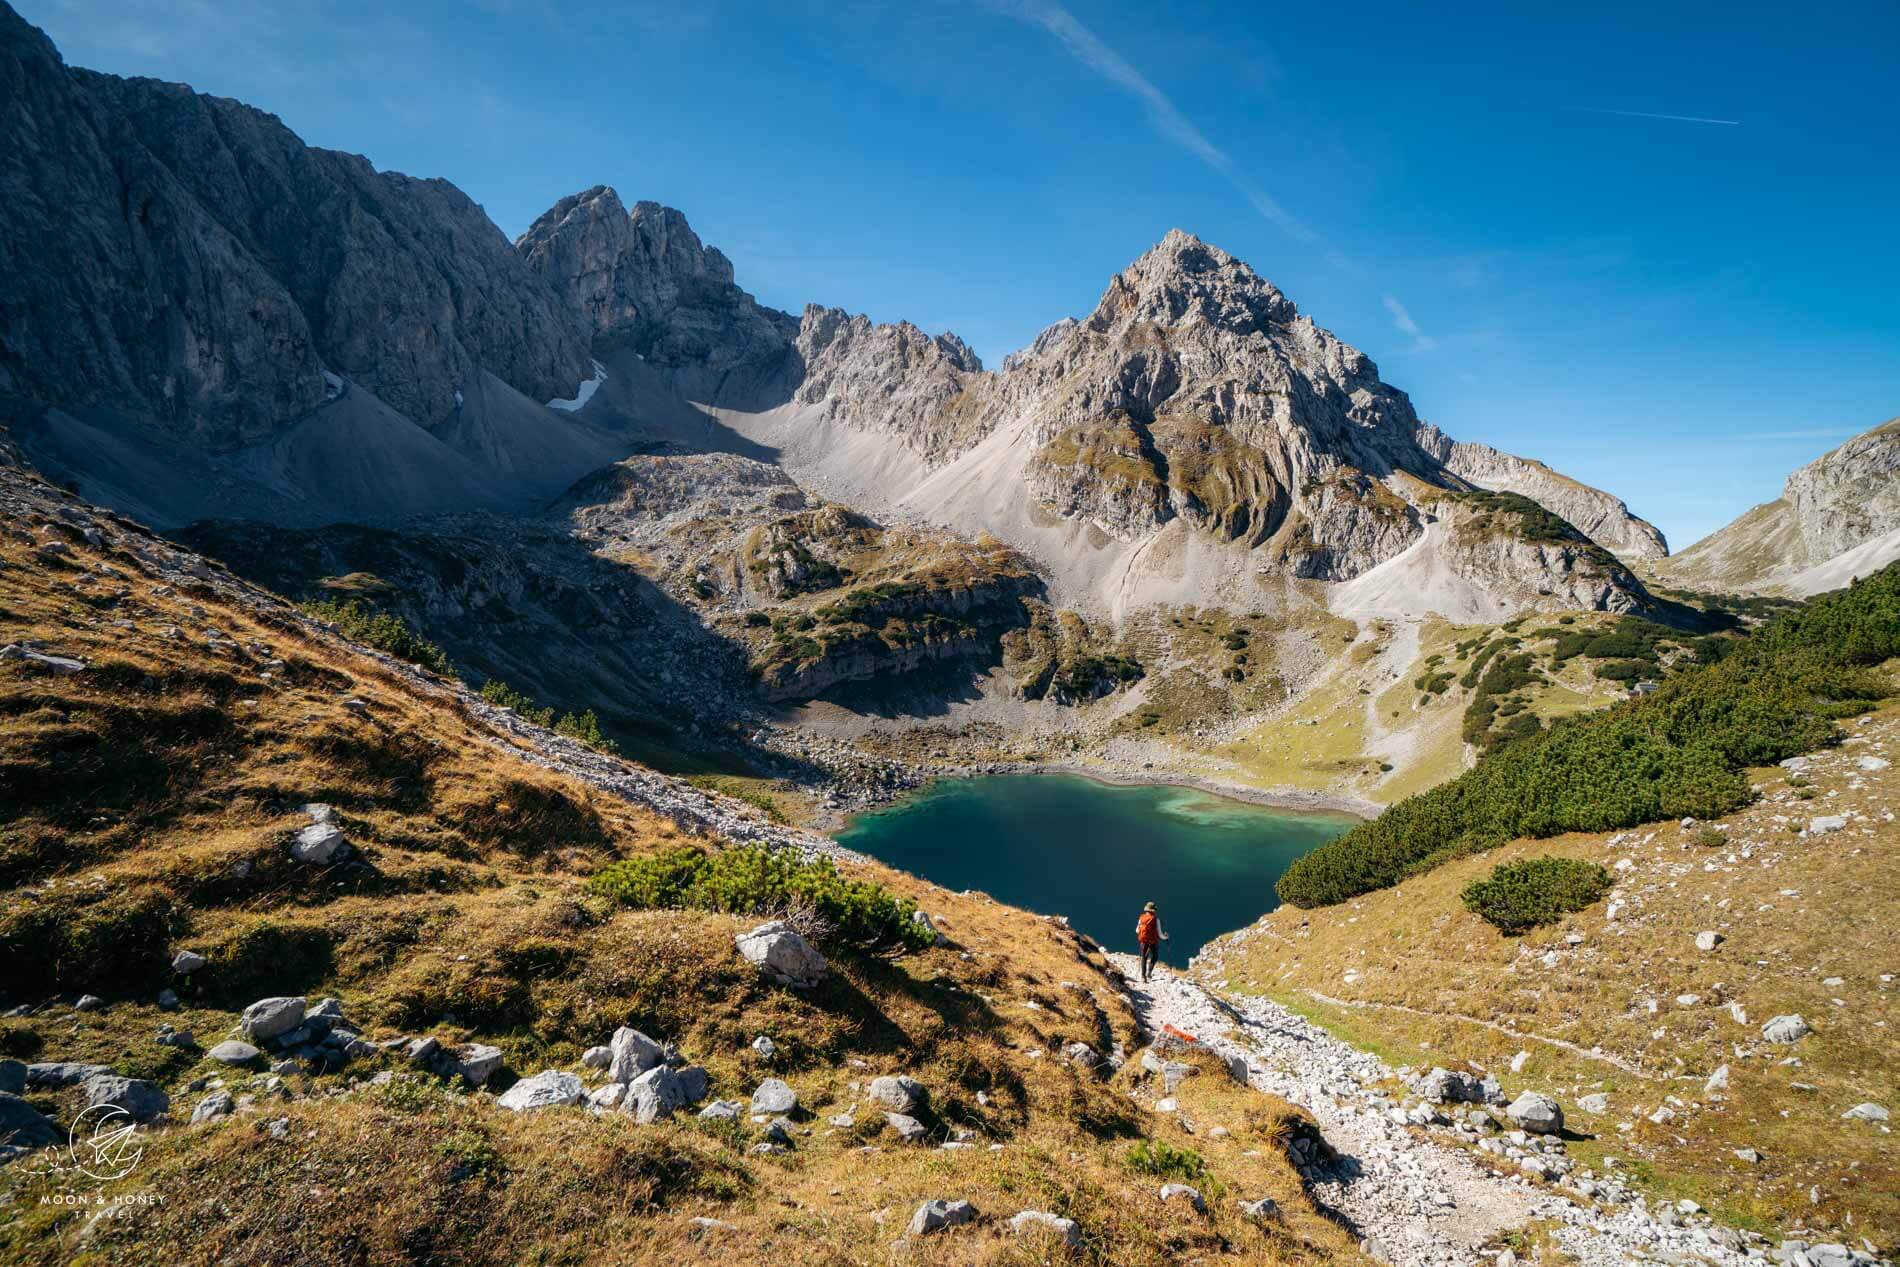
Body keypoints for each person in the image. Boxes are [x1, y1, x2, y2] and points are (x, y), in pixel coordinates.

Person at [1135, 901, 1167, 982]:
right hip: (1153, 942)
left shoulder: (1141, 917)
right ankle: (1149, 972)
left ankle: (1143, 977)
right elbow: (1160, 935)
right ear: (1153, 910)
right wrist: (1166, 937)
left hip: (1143, 941)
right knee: (1155, 956)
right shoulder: (1156, 919)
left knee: (1144, 958)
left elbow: (1137, 930)